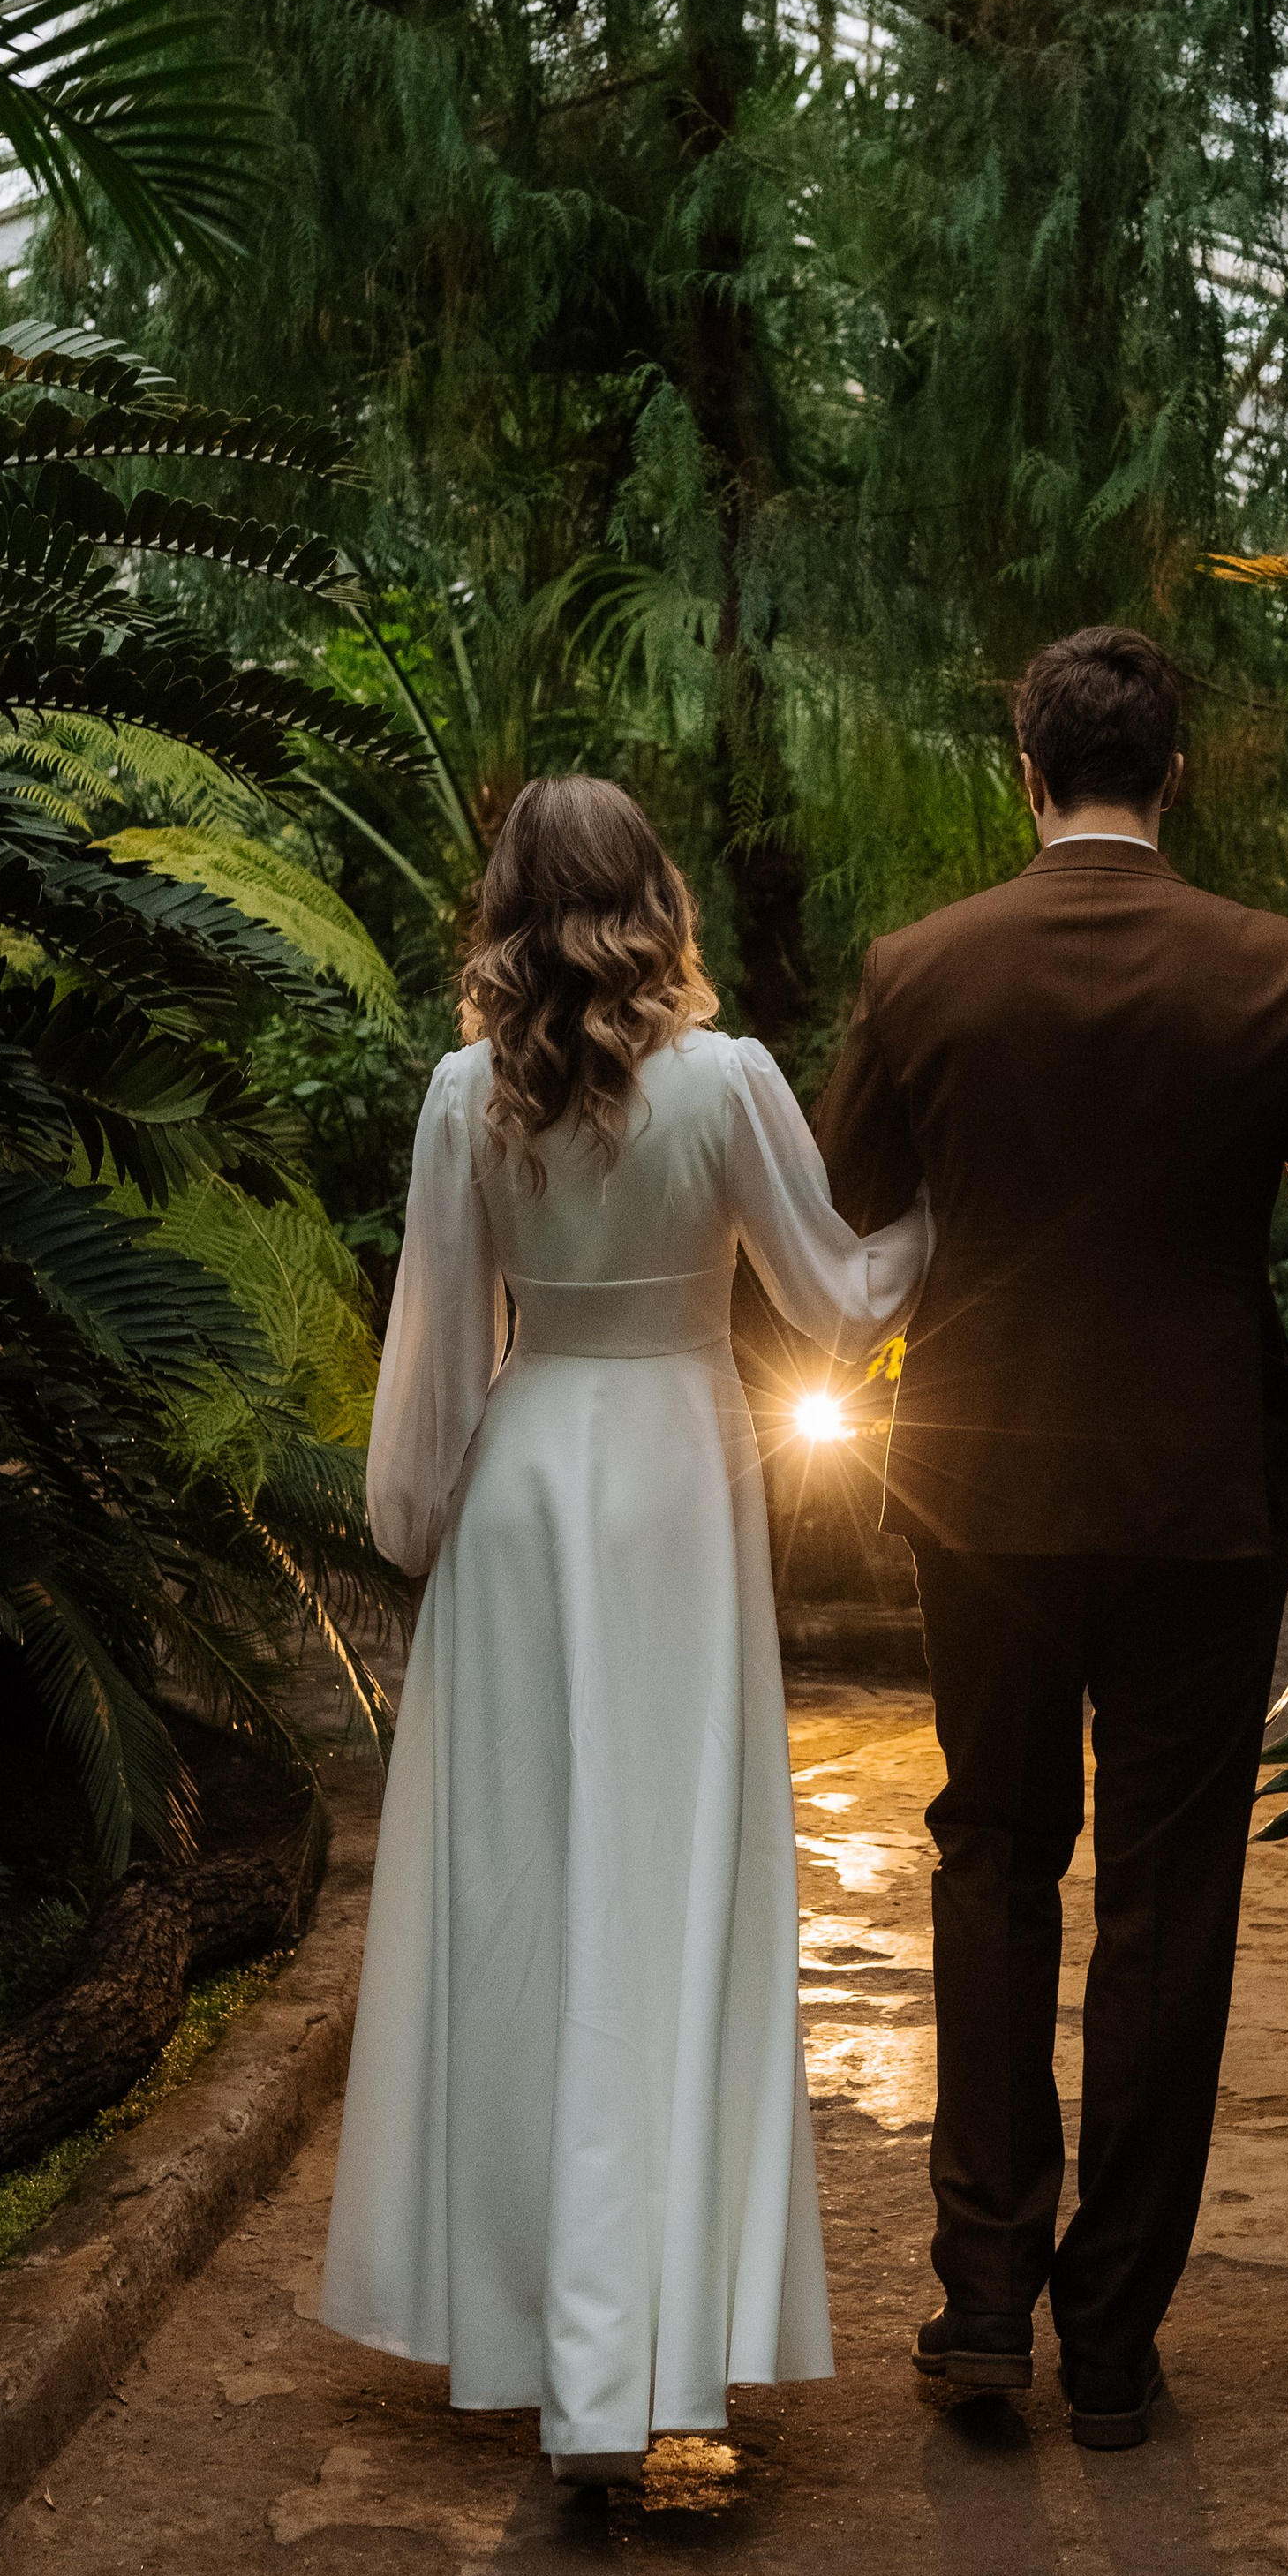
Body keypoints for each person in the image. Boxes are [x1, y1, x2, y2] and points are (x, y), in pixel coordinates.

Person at [814, 625, 1288, 2451]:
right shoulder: (1278, 969)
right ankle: (1113, 2338)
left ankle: (982, 2300)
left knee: (992, 1855)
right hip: (1196, 1501)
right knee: (1170, 1898)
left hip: (980, 1486)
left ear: (1025, 772)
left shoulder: (921, 969)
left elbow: (845, 1205)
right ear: (1173, 777)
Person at [319, 776, 931, 2487]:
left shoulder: (466, 1094)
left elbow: (435, 1357)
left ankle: (535, 2336)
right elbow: (838, 1299)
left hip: (525, 1489)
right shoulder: (728, 1083)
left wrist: (415, 1527)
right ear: (658, 897)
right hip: (673, 1481)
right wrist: (949, 1212)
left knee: (525, 1902)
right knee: (664, 1897)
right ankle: (644, 2342)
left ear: (506, 912)